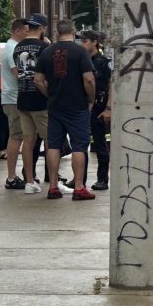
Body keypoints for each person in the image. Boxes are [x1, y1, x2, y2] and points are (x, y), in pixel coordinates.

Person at [33, 19, 96, 200]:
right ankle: (78, 187)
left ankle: (53, 187)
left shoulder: (47, 52)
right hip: (77, 106)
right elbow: (89, 79)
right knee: (79, 145)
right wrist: (90, 99)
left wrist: (49, 94)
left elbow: (38, 80)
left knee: (53, 145)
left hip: (55, 106)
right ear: (74, 31)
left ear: (57, 33)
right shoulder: (80, 52)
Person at [14, 13, 53, 194]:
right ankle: (53, 180)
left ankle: (29, 181)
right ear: (42, 28)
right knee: (49, 140)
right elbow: (48, 75)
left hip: (23, 97)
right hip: (40, 98)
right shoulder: (45, 47)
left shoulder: (17, 47)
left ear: (28, 27)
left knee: (28, 140)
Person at [80, 30, 111, 191]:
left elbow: (112, 85)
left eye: (85, 41)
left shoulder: (103, 62)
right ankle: (79, 179)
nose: (82, 44)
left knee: (100, 144)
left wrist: (108, 108)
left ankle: (102, 179)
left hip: (99, 106)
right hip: (82, 106)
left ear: (94, 42)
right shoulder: (81, 60)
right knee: (81, 144)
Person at [1, 19, 29, 188]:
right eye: (26, 31)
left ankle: (16, 176)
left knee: (20, 136)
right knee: (16, 137)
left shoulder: (12, 46)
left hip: (13, 97)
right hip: (13, 98)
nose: (28, 34)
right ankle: (11, 178)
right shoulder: (12, 49)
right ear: (18, 31)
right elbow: (17, 74)